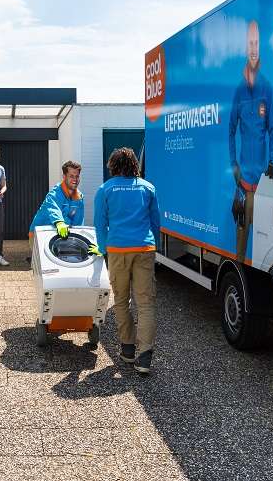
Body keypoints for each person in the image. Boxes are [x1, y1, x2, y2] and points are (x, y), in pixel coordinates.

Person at [94, 147, 161, 374]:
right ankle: (144, 358)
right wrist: (153, 247)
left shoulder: (105, 189)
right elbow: (155, 222)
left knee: (121, 301)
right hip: (144, 249)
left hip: (117, 250)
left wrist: (103, 250)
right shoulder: (148, 188)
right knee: (145, 303)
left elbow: (100, 224)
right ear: (134, 165)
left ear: (113, 165)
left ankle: (128, 349)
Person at [228, 20, 273, 263]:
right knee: (241, 243)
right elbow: (230, 131)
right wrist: (233, 165)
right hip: (243, 183)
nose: (254, 48)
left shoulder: (266, 88)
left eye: (257, 43)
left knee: (263, 241)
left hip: (263, 182)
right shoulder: (239, 91)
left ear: (260, 46)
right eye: (250, 44)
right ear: (246, 48)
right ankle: (239, 271)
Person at [29, 161, 85, 250]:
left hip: (62, 234)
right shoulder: (54, 194)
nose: (75, 179)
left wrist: (80, 236)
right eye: (71, 176)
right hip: (40, 234)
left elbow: (78, 221)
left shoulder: (79, 198)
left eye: (77, 176)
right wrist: (59, 222)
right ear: (64, 176)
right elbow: (54, 209)